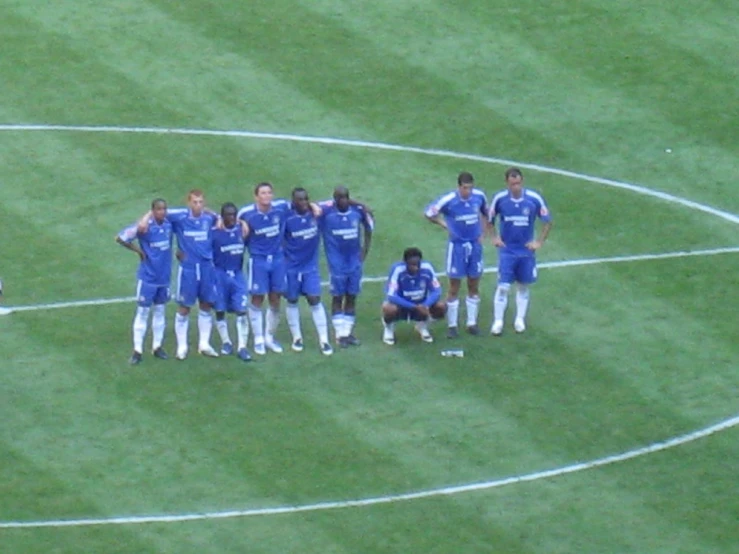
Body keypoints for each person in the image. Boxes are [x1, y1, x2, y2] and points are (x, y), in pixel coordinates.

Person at [141, 189, 220, 360]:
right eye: (194, 202)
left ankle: (204, 344)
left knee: (206, 304)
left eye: (200, 202)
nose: (198, 205)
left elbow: (222, 220)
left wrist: (216, 215)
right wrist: (146, 218)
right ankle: (182, 346)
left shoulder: (209, 218)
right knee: (184, 307)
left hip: (207, 267)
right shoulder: (180, 217)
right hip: (188, 268)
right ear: (188, 202)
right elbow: (159, 213)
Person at [488, 167, 553, 335]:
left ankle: (519, 319)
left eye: (518, 183)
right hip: (507, 250)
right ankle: (498, 321)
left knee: (523, 286)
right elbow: (489, 218)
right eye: (512, 184)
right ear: (507, 183)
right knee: (503, 287)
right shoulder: (500, 199)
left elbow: (547, 221)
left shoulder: (533, 199)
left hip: (526, 251)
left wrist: (539, 242)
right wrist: (494, 237)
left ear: (522, 182)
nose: (515, 187)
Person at [425, 171, 488, 338]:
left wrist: (483, 233)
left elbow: (486, 213)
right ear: (459, 187)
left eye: (470, 188)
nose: (468, 192)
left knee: (474, 284)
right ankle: (452, 326)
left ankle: (471, 323)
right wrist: (445, 224)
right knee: (454, 286)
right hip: (457, 246)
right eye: (465, 188)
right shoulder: (449, 200)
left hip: (474, 246)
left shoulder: (479, 196)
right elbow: (429, 213)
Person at [237, 182, 292, 355]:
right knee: (257, 298)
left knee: (275, 298)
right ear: (256, 196)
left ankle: (269, 337)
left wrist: (313, 206)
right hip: (258, 260)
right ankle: (258, 338)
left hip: (277, 259)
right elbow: (232, 225)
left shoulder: (281, 208)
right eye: (263, 193)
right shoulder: (247, 214)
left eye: (269, 192)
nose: (267, 196)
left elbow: (300, 205)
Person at [116, 198, 173, 365]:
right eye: (159, 209)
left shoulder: (169, 225)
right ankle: (137, 350)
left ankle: (157, 347)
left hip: (164, 278)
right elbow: (121, 238)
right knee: (142, 312)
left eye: (164, 209)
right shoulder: (144, 227)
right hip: (148, 278)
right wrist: (138, 251)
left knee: (160, 311)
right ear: (153, 211)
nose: (162, 212)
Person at [320, 185, 374, 348]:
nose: (343, 200)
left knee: (352, 296)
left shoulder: (356, 212)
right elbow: (312, 207)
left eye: (345, 197)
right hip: (336, 263)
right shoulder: (327, 213)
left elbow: (369, 225)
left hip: (354, 262)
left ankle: (348, 333)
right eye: (340, 197)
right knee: (337, 297)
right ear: (334, 199)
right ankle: (339, 335)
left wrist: (365, 250)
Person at [283, 188, 333, 355]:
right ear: (293, 202)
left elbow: (337, 199)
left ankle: (324, 340)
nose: (303, 203)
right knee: (292, 300)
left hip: (310, 267)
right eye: (300, 200)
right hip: (291, 268)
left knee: (314, 299)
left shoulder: (316, 214)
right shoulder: (287, 218)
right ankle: (297, 338)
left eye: (306, 199)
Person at [381, 247, 447, 345]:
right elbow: (391, 295)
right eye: (412, 265)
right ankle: (389, 329)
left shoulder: (427, 268)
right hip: (402, 306)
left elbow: (437, 291)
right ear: (405, 262)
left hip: (421, 304)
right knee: (388, 308)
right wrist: (414, 306)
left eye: (418, 264)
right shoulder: (397, 270)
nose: (415, 267)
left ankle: (422, 326)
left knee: (441, 307)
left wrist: (425, 305)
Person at [212, 202, 252, 362]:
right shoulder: (214, 233)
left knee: (241, 310)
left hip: (237, 275)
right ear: (222, 216)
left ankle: (242, 347)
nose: (232, 218)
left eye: (234, 215)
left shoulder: (241, 230)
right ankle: (226, 342)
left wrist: (243, 223)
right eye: (228, 215)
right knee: (220, 310)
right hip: (219, 276)